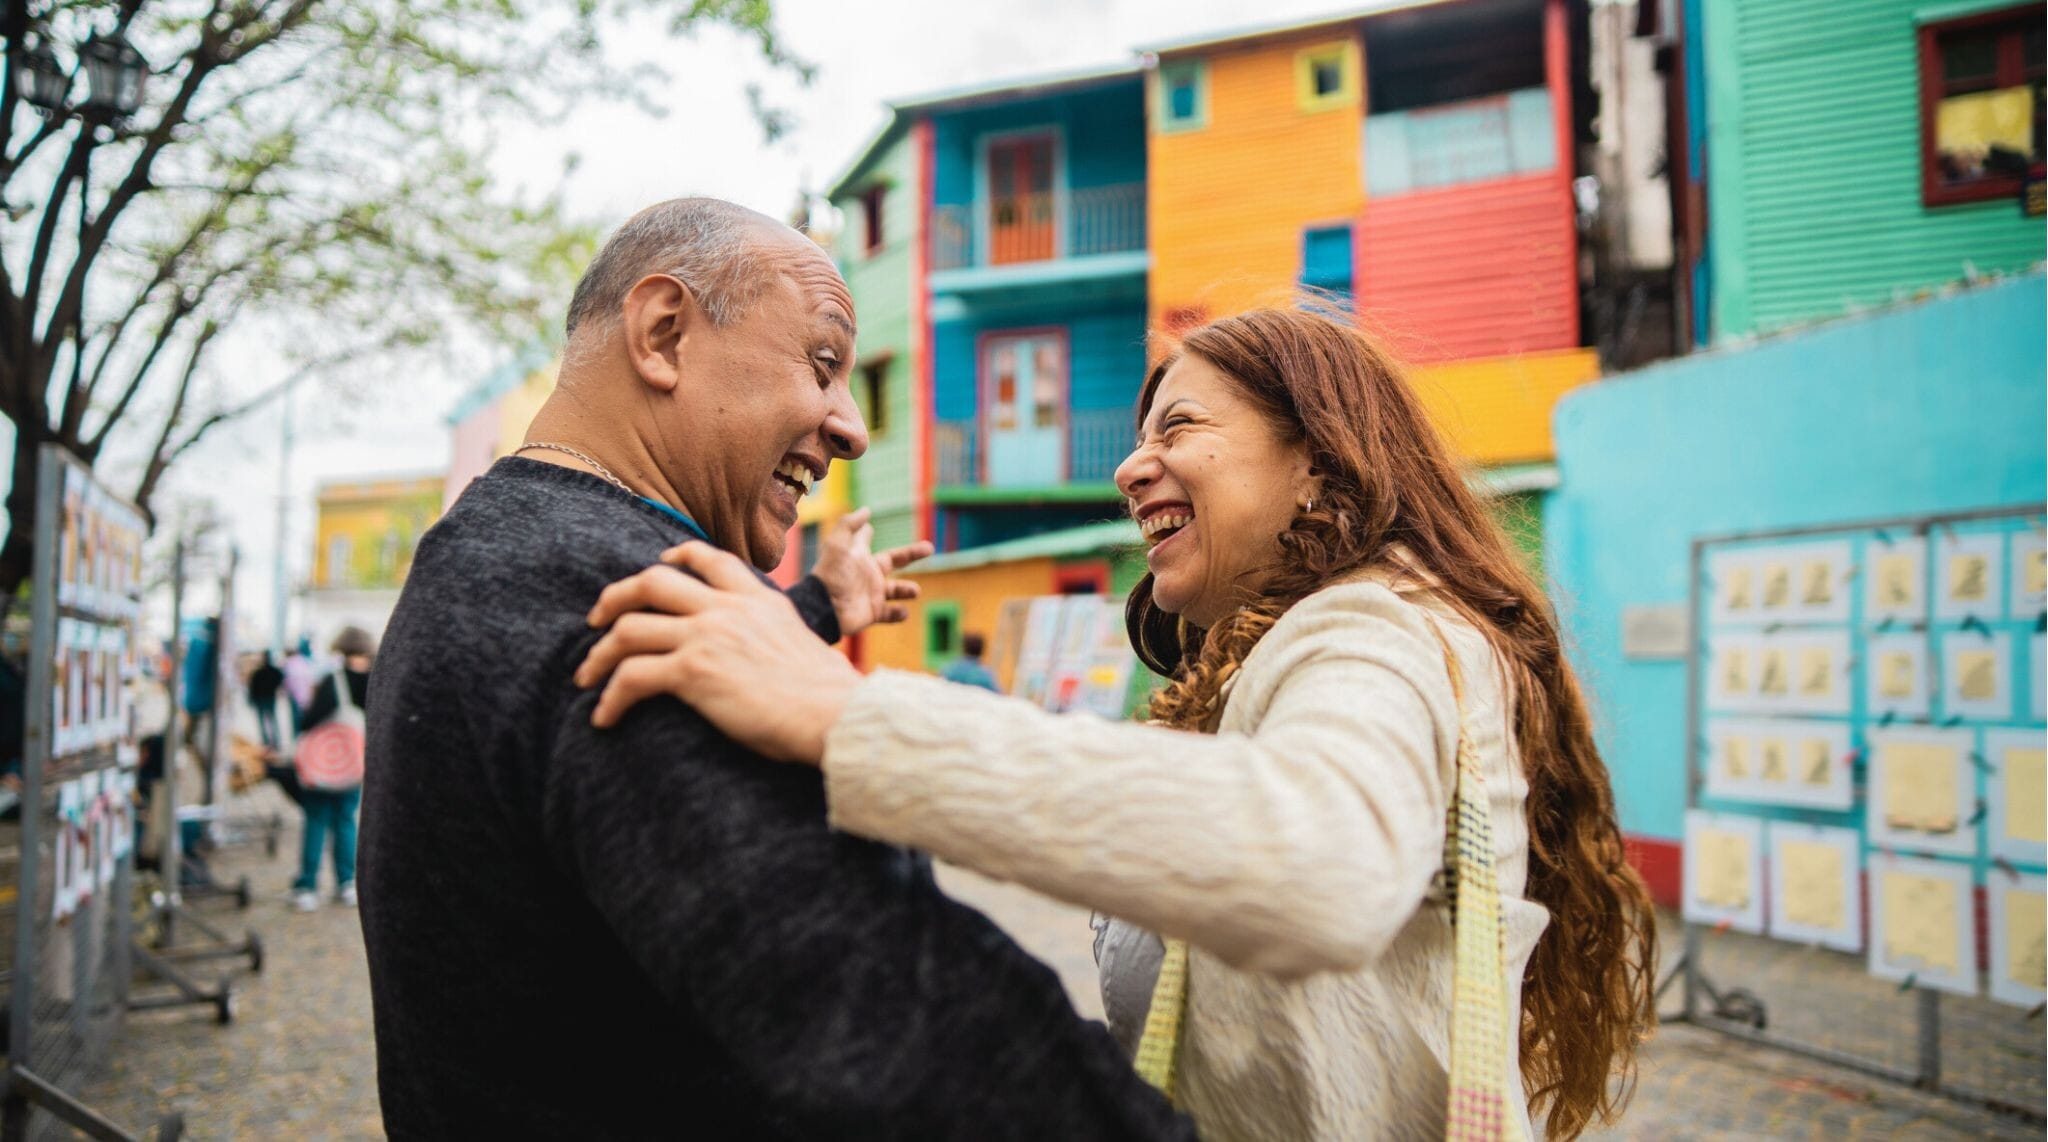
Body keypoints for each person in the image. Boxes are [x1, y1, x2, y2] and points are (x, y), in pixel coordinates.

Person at [578, 306, 1660, 1141]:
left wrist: (844, 713)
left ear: (1317, 459)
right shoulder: (1281, 659)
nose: (1129, 467)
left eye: (1178, 427)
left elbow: (1318, 860)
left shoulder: (1377, 627)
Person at [357, 198, 1192, 1140]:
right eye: (824, 364)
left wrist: (816, 611)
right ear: (663, 334)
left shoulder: (493, 553)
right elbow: (900, 1034)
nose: (853, 429)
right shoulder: (643, 608)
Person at [292, 627, 372, 912]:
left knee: (316, 821)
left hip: (323, 767)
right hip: (355, 764)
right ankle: (347, 882)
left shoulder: (333, 680)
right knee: (346, 821)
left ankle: (307, 887)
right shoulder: (375, 681)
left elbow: (307, 721)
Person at [247, 651, 285, 748]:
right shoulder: (274, 672)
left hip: (260, 699)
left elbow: (252, 687)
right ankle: (275, 741)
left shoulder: (258, 673)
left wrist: (250, 700)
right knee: (272, 720)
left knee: (262, 721)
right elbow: (280, 680)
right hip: (270, 697)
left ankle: (266, 742)